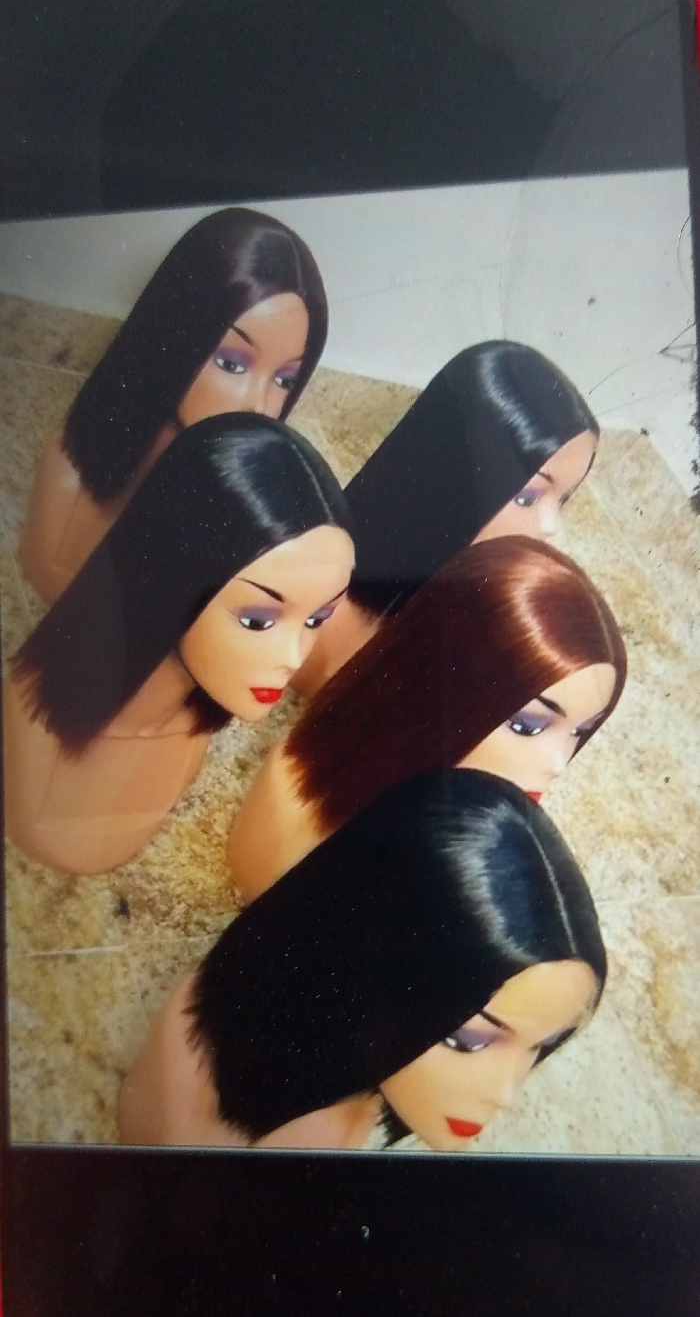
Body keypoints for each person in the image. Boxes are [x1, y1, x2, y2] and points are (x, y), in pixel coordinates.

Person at [118, 769, 606, 1152]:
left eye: (541, 1044)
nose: (506, 1095)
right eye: (467, 1039)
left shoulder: (358, 1073)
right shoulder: (196, 1121)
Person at [5, 415, 354, 874]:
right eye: (257, 619)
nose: (294, 657)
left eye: (316, 619)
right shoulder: (32, 724)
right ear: (173, 578)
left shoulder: (191, 730)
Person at [227, 535, 626, 903]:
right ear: (439, 690)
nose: (559, 763)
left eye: (580, 731)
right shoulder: (319, 848)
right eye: (528, 726)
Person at [19, 208, 328, 603]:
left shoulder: (243, 505)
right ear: (179, 339)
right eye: (232, 364)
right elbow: (46, 577)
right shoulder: (74, 473)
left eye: (284, 380)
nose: (258, 405)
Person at [293, 340, 600, 694]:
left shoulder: (471, 615)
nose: (551, 526)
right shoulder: (316, 589)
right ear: (453, 481)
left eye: (563, 499)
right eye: (528, 496)